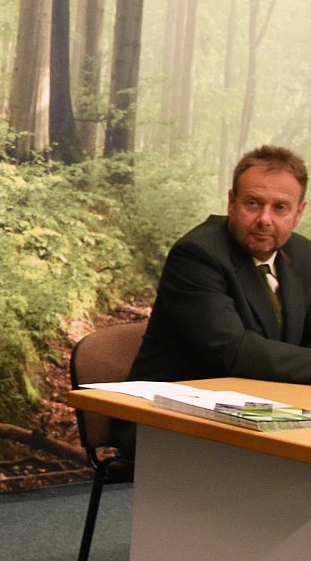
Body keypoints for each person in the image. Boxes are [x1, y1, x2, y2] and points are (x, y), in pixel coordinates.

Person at [132, 145, 311, 384]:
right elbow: (234, 352)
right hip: (168, 403)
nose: (264, 219)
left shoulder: (303, 254)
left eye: (280, 208)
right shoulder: (197, 254)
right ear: (231, 202)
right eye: (253, 203)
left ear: (298, 213)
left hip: (262, 399)